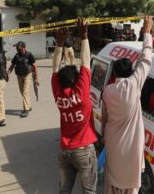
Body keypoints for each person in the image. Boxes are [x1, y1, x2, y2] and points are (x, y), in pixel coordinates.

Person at [101, 16, 153, 194]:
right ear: (131, 72)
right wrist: (147, 32)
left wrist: (103, 137)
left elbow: (104, 118)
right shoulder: (134, 84)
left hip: (113, 143)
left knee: (112, 181)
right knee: (131, 185)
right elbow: (146, 59)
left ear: (114, 73)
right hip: (132, 146)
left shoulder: (107, 91)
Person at [51, 19, 98, 193]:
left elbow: (55, 67)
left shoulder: (59, 94)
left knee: (64, 190)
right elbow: (86, 61)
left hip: (65, 151)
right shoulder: (82, 93)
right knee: (89, 190)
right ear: (77, 81)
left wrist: (59, 44)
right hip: (83, 150)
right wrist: (84, 36)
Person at [7, 41, 39, 118]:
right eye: (17, 48)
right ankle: (28, 105)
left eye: (18, 47)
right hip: (19, 76)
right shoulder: (17, 56)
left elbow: (35, 66)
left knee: (25, 92)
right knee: (22, 91)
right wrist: (8, 73)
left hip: (27, 75)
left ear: (23, 47)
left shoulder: (29, 55)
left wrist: (36, 78)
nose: (17, 49)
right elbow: (12, 65)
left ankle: (26, 110)